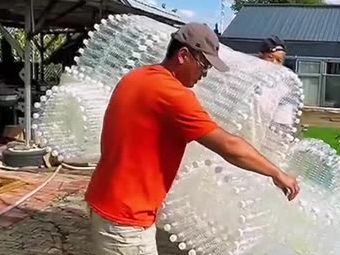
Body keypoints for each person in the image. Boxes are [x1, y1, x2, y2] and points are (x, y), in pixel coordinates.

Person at [84, 22, 300, 255]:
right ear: (183, 55)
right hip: (127, 219)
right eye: (203, 66)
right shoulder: (172, 94)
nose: (203, 75)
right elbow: (229, 146)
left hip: (106, 201)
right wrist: (276, 173)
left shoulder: (138, 77)